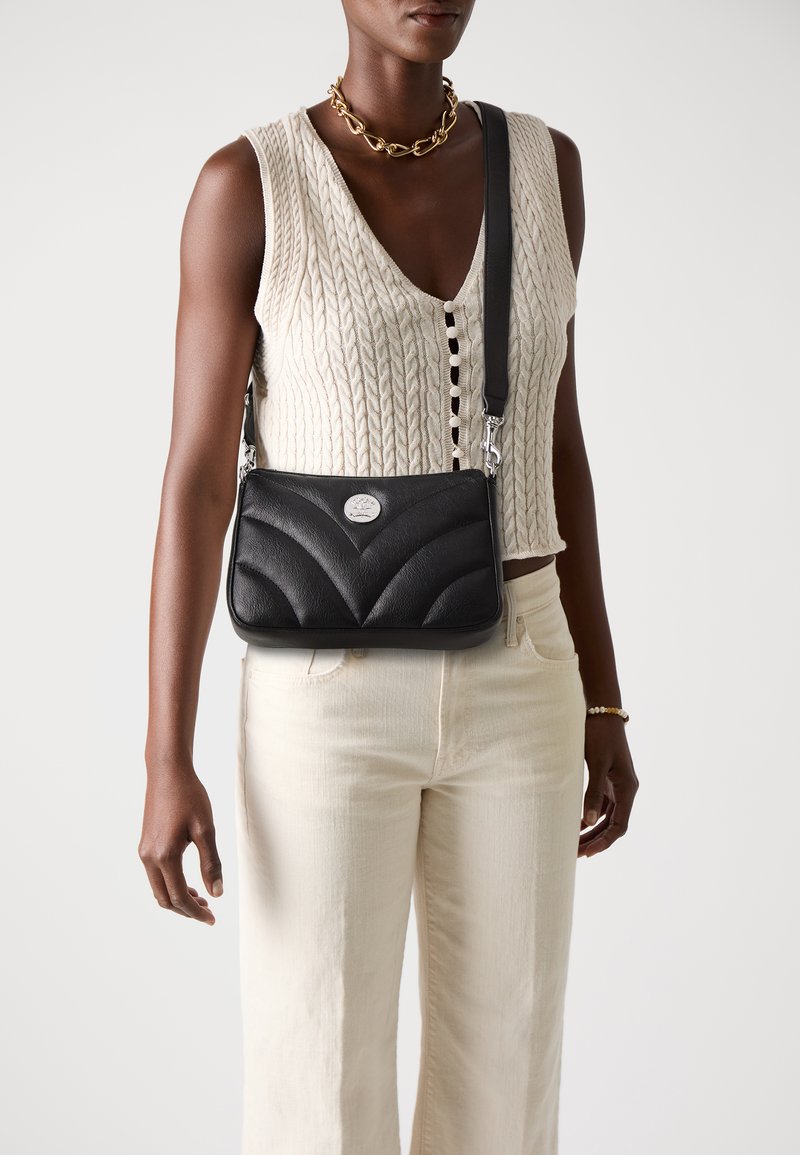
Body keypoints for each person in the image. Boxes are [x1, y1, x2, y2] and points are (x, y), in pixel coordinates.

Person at [141, 2, 639, 1151]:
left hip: (522, 665)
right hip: (325, 687)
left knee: (507, 1079)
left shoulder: (545, 168)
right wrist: (165, 756)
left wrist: (603, 698)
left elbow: (555, 443)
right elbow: (197, 483)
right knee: (315, 1081)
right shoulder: (248, 184)